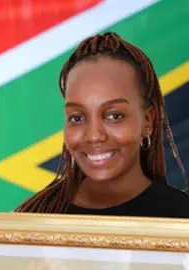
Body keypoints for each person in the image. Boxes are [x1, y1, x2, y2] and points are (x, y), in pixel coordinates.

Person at [15, 32, 189, 217]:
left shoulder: (181, 217)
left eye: (114, 116)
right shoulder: (34, 220)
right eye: (77, 118)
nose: (94, 135)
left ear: (148, 121)